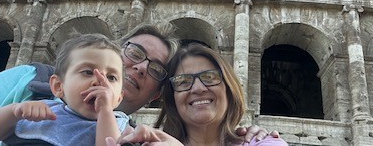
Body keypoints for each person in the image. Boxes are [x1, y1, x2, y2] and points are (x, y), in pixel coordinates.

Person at [0, 24, 274, 145]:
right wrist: (16, 110)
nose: (140, 67)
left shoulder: (134, 134)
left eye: (157, 68)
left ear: (159, 92)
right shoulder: (28, 81)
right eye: (132, 52)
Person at [110, 42, 288, 146]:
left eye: (210, 77)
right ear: (173, 98)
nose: (197, 88)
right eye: (183, 81)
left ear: (229, 88)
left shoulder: (265, 142)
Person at [0, 33, 127, 145]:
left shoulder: (120, 126)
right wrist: (14, 112)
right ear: (58, 86)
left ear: (119, 98)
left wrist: (105, 112)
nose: (99, 82)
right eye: (88, 72)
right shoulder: (45, 111)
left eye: (111, 77)